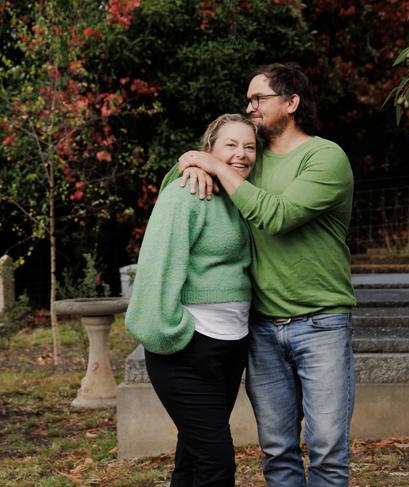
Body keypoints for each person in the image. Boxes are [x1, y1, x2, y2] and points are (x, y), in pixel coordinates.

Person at [174, 62, 356, 486]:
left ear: (291, 103)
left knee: (327, 449)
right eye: (248, 100)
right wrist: (193, 163)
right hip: (261, 328)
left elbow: (277, 215)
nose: (251, 107)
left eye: (260, 99)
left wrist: (214, 167)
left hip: (322, 322)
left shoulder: (325, 157)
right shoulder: (249, 162)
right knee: (277, 451)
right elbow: (211, 165)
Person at [125, 114, 259, 487]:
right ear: (209, 151)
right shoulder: (187, 192)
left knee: (193, 459)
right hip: (187, 351)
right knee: (217, 464)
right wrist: (169, 332)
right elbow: (158, 264)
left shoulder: (242, 197)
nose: (241, 154)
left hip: (230, 349)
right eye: (230, 145)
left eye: (249, 146)